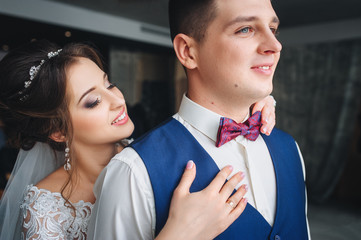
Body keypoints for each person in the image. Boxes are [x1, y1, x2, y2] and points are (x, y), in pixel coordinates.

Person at [0, 40, 275, 239]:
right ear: (58, 131)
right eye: (93, 101)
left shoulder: (150, 156)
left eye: (109, 84)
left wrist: (253, 101)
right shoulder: (45, 207)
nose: (118, 100)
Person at [88, 0, 311, 239]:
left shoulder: (290, 149)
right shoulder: (133, 172)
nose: (275, 45)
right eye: (245, 29)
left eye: (273, 29)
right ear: (187, 51)